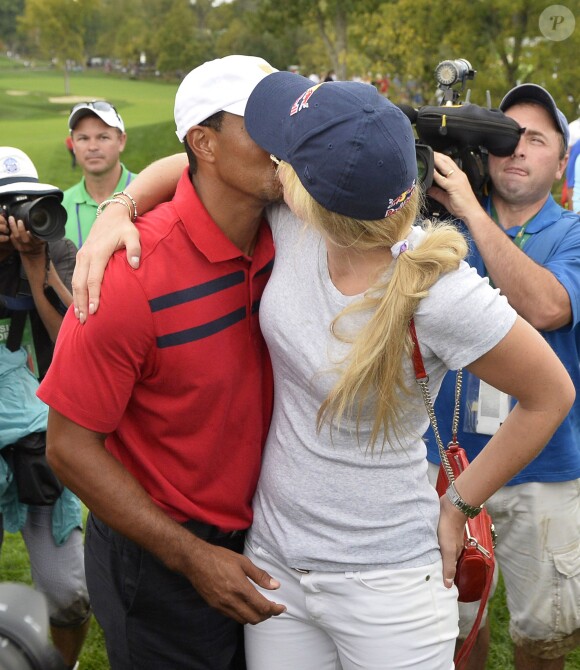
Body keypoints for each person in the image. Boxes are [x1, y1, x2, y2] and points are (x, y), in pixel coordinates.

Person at [64, 71, 574, 669]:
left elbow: (550, 394)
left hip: (388, 583)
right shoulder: (299, 220)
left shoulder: (439, 288)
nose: (273, 153)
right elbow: (195, 164)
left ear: (306, 183)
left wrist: (459, 502)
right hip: (277, 569)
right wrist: (116, 208)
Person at [38, 56, 286, 670]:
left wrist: (122, 198)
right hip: (159, 566)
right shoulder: (126, 277)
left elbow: (183, 167)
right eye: (266, 123)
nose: (289, 140)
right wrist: (191, 558)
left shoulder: (286, 224)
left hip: (263, 543)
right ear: (205, 141)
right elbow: (69, 448)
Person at [423, 83, 580, 670]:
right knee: (458, 623)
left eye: (535, 140)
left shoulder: (573, 233)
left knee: (544, 634)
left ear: (561, 162)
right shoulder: (441, 219)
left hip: (545, 468)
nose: (517, 151)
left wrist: (470, 211)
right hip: (448, 462)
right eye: (505, 137)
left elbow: (546, 307)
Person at [0, 147, 91, 670]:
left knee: (67, 592)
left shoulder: (53, 246)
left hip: (40, 428)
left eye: (25, 202)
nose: (19, 218)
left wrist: (35, 262)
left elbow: (71, 337)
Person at [63, 100, 137, 248]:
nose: (92, 147)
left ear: (121, 141)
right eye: (83, 138)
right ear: (73, 145)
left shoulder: (152, 191)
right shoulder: (61, 206)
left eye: (103, 137)